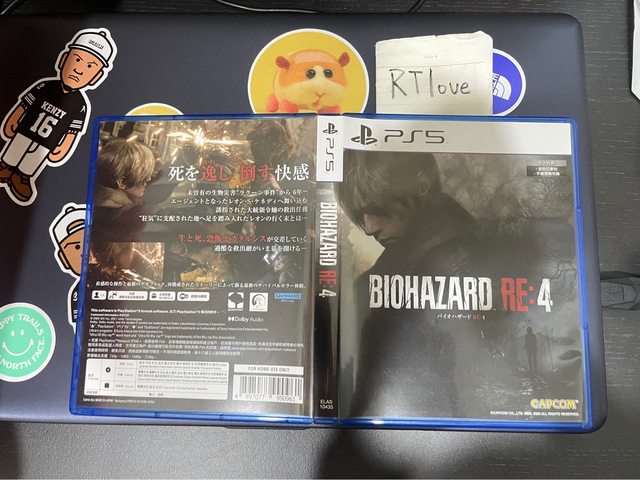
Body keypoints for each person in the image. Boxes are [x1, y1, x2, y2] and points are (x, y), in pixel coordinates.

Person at [335, 149, 480, 418]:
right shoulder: (393, 268)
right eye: (360, 216)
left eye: (375, 209)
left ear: (421, 187)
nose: (369, 228)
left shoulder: (456, 258)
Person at [0, 29, 116, 204]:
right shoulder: (45, 86)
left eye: (89, 67)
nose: (78, 69)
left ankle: (22, 177)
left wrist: (63, 147)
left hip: (48, 141)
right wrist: (13, 120)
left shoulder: (81, 106)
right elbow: (24, 105)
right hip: (24, 131)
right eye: (77, 60)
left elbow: (72, 132)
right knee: (16, 148)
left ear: (96, 77)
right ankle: (6, 167)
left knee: (32, 161)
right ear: (63, 60)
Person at [50, 203, 86, 329]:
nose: (84, 252)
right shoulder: (78, 292)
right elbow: (79, 328)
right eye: (76, 247)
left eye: (88, 242)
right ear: (63, 259)